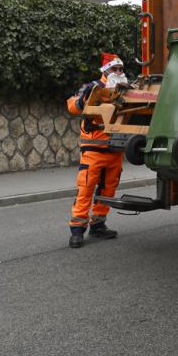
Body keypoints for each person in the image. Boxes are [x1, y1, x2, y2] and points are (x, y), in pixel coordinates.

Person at [66, 53, 128, 248]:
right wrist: (83, 100)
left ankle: (98, 225)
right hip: (94, 150)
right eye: (115, 69)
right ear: (106, 70)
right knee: (86, 188)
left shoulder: (124, 90)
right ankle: (77, 230)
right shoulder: (92, 88)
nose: (119, 72)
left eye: (121, 69)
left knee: (108, 190)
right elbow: (72, 106)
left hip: (115, 150)